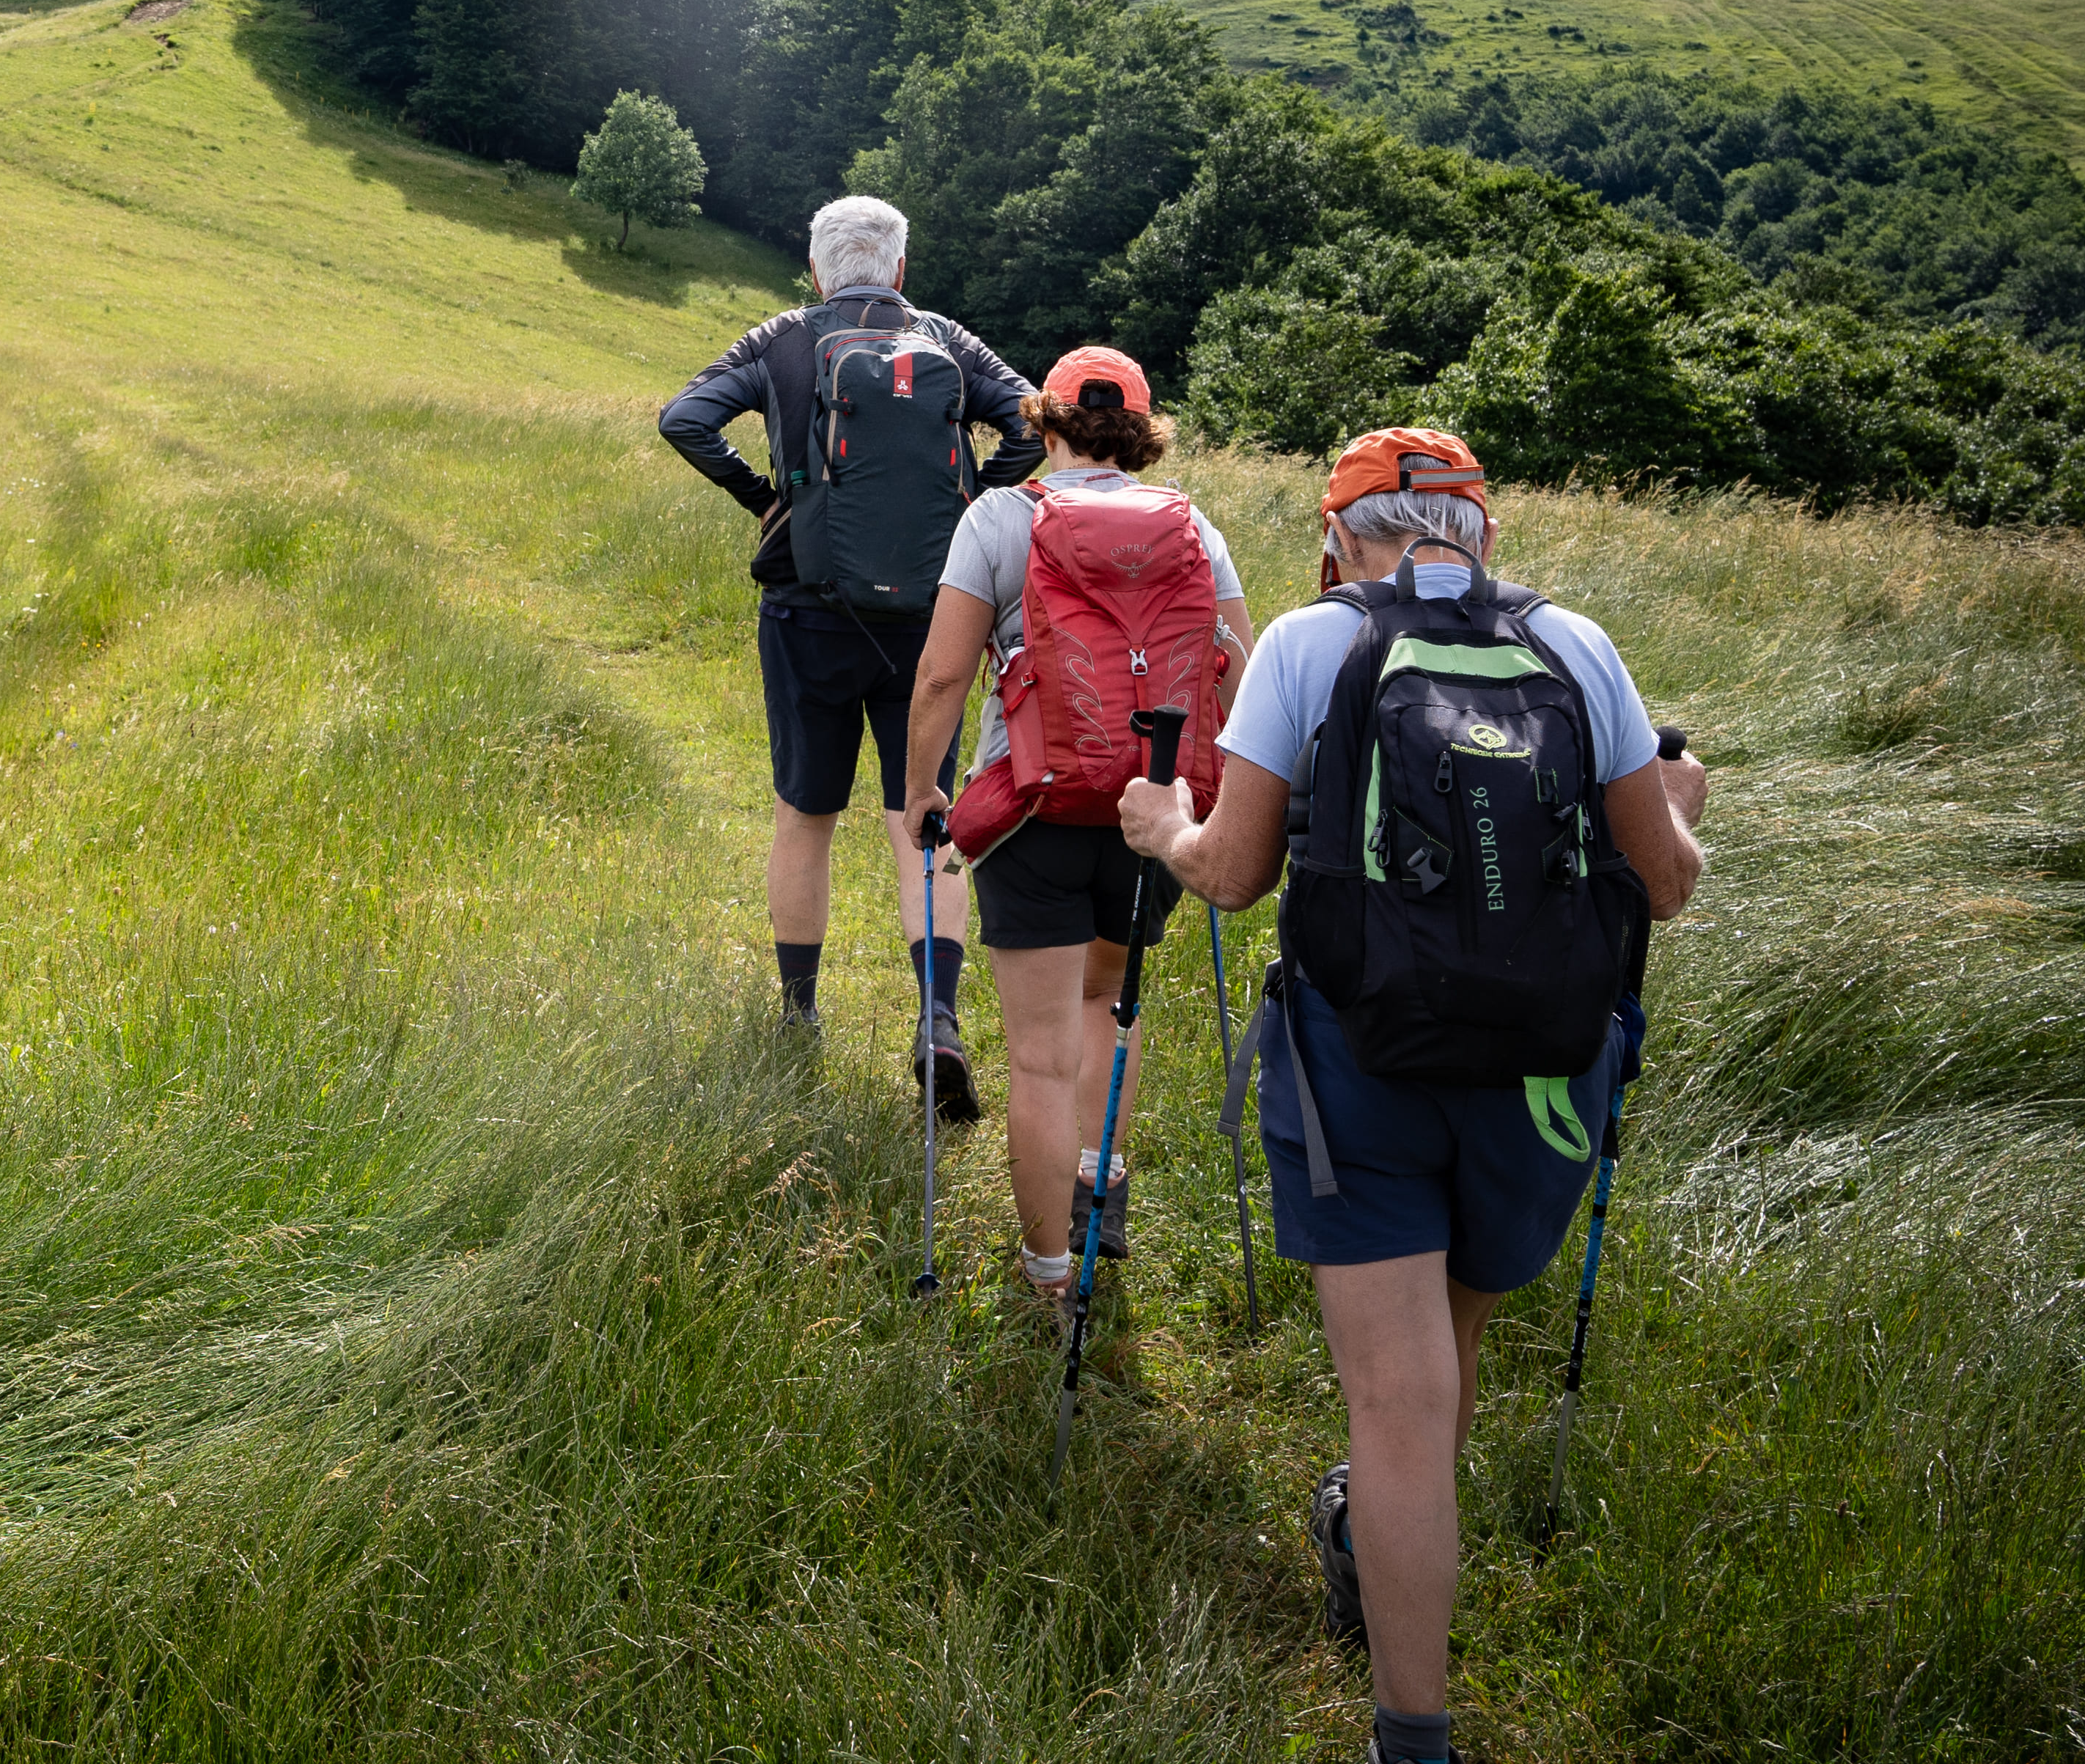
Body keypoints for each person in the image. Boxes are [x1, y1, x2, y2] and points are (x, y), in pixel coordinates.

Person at [1113, 427, 1710, 1764]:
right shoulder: (1581, 647)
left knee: (1396, 1402)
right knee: (1444, 1364)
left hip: (1360, 1065)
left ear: (1336, 540)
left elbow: (1233, 873)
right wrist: (1685, 801)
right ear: (1481, 533)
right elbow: (1664, 883)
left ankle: (1412, 1735)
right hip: (1544, 1076)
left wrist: (1161, 828)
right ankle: (1374, 1538)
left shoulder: (1312, 645)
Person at [658, 193, 1039, 1107]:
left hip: (807, 609)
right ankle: (937, 1018)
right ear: (900, 269)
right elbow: (1035, 419)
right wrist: (975, 507)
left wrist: (765, 499)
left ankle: (800, 1017)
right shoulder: (948, 337)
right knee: (924, 812)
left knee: (805, 814)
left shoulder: (780, 336)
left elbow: (683, 418)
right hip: (930, 622)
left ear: (817, 268)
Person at [897, 348, 1251, 1298]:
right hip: (1153, 815)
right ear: (1139, 434)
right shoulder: (1193, 527)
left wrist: (923, 788)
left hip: (1033, 805)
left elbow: (940, 673)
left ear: (1045, 422)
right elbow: (1239, 670)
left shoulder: (1001, 519)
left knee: (1041, 1057)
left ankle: (1050, 1273)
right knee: (1111, 1007)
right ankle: (1102, 1187)